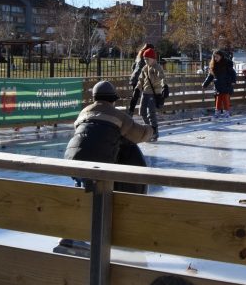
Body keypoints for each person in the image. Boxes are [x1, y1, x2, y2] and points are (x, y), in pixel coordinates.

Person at [58, 80, 153, 256]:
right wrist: (151, 130)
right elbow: (139, 134)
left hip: (72, 159)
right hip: (99, 161)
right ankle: (102, 235)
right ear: (112, 99)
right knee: (101, 195)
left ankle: (70, 236)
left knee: (83, 190)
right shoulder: (117, 115)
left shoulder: (83, 112)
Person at [136, 47, 166, 141]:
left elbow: (162, 78)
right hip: (145, 92)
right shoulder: (145, 68)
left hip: (153, 93)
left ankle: (154, 131)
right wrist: (137, 89)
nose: (145, 61)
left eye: (147, 59)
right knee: (142, 111)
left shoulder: (157, 67)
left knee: (151, 113)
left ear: (153, 58)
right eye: (144, 59)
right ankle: (149, 130)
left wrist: (164, 86)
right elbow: (141, 80)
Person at [202, 50, 237, 119]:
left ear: (221, 56)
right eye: (214, 57)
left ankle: (227, 113)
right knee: (218, 100)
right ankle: (217, 113)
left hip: (226, 84)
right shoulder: (213, 65)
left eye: (217, 57)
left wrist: (233, 80)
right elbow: (210, 76)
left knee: (225, 99)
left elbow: (233, 73)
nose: (215, 58)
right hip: (218, 85)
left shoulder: (227, 64)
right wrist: (205, 84)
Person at [128, 43, 154, 115]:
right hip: (140, 78)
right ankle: (145, 112)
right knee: (146, 95)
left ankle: (131, 111)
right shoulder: (146, 56)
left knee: (136, 96)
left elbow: (133, 67)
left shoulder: (139, 55)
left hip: (134, 77)